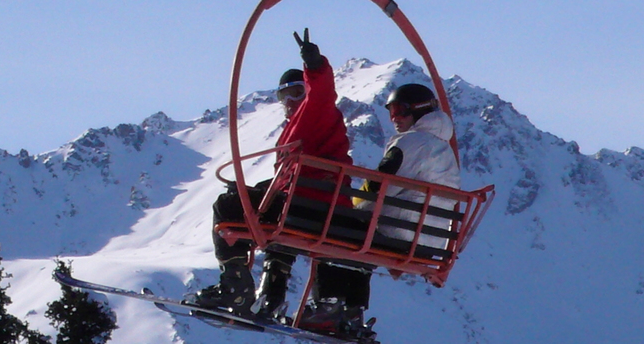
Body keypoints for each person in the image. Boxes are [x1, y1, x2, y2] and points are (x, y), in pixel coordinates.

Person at [194, 29, 371, 334]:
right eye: (283, 96)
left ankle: (235, 286)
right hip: (314, 207)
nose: (290, 101)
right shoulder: (300, 125)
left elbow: (323, 93)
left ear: (307, 92)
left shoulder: (317, 112)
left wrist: (315, 65)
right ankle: (270, 298)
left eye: (296, 92)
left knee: (227, 205)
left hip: (310, 206)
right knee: (269, 214)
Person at [355, 83, 460, 249]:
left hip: (399, 232)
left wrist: (350, 206)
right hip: (430, 242)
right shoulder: (446, 151)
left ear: (419, 109)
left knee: (332, 223)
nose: (395, 118)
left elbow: (379, 188)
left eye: (399, 110)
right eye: (391, 111)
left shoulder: (410, 142)